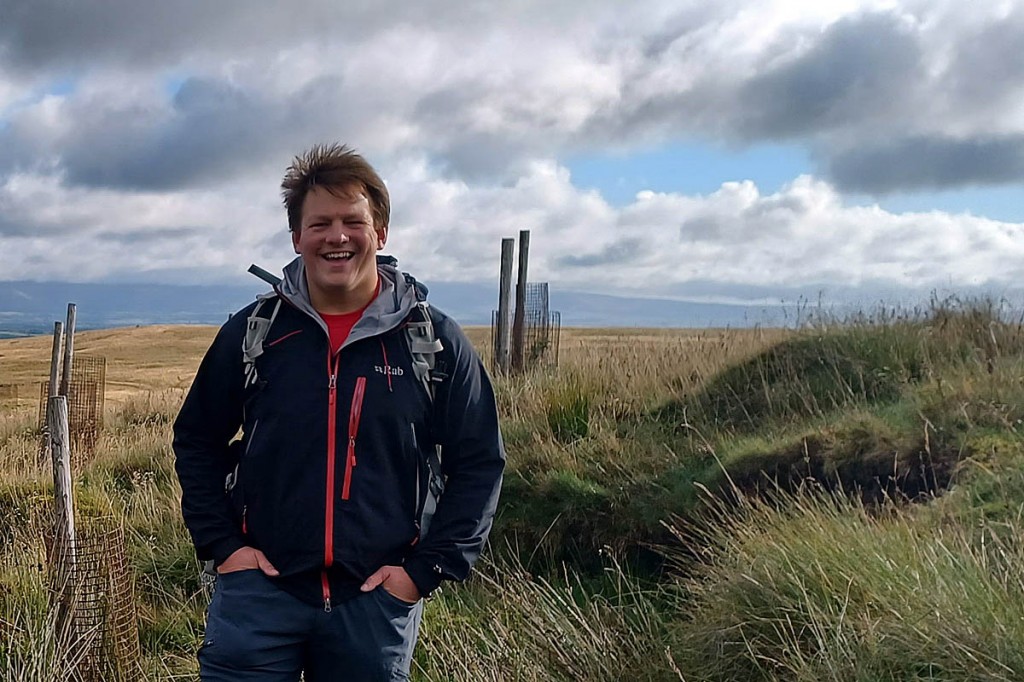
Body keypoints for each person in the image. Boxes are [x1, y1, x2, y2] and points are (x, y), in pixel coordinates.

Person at [173, 143, 505, 681]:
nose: (337, 236)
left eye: (354, 220)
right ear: (297, 237)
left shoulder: (431, 341)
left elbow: (480, 461)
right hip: (258, 594)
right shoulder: (255, 333)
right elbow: (196, 439)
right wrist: (224, 546)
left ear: (381, 233)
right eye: (320, 222)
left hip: (373, 604)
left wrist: (424, 571)